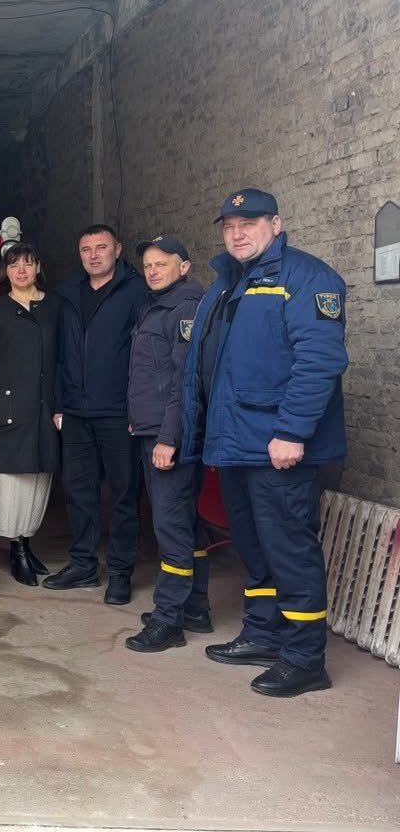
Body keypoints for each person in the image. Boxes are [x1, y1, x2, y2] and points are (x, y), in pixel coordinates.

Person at [180, 189, 347, 697]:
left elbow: (319, 360)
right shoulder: (229, 281)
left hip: (278, 446)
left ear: (275, 224)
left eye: (249, 223)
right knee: (254, 546)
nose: (237, 234)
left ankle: (304, 659)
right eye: (229, 226)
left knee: (289, 549)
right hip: (236, 443)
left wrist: (292, 431)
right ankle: (263, 634)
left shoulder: (307, 277)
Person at [45, 224, 148, 603]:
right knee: (78, 492)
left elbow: (145, 356)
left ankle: (120, 572)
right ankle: (83, 565)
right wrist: (60, 405)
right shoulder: (68, 294)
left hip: (119, 412)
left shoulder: (137, 292)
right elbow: (58, 355)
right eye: (86, 249)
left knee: (123, 494)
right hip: (75, 412)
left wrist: (138, 407)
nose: (93, 255)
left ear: (117, 250)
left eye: (101, 247)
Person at [123, 237, 209, 653]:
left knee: (170, 526)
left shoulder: (184, 307)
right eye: (148, 265)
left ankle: (169, 619)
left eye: (162, 263)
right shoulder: (157, 305)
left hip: (167, 434)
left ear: (184, 266)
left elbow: (183, 380)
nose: (153, 271)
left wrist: (167, 438)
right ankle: (195, 607)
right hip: (153, 428)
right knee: (185, 522)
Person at [0, 241, 60, 586]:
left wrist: (62, 406)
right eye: (13, 265)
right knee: (10, 480)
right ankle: (16, 547)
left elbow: (65, 358)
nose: (21, 270)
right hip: (8, 407)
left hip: (45, 407)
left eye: (27, 263)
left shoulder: (55, 307)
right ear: (5, 272)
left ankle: (27, 540)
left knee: (38, 475)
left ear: (38, 267)